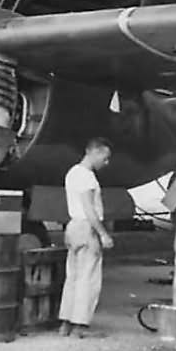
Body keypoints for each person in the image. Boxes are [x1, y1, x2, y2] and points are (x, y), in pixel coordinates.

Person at [58, 137, 113, 336]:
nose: (105, 163)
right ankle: (80, 325)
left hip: (73, 227)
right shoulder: (87, 177)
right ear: (94, 152)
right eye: (105, 158)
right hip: (87, 227)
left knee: (72, 276)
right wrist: (103, 234)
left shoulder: (72, 173)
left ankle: (65, 322)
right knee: (88, 278)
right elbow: (89, 209)